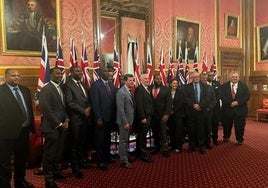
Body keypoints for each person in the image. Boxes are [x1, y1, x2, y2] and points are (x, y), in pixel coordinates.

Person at [0, 69, 34, 188]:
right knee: (4, 162)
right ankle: (5, 184)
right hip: (5, 133)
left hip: (24, 132)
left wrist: (30, 128)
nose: (16, 77)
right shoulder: (1, 91)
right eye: (13, 75)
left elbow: (29, 110)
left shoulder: (25, 90)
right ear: (6, 77)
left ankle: (20, 181)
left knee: (21, 159)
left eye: (18, 75)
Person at [39, 67, 70, 188]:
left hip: (62, 127)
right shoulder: (46, 89)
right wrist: (59, 124)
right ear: (50, 75)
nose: (59, 76)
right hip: (51, 128)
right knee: (50, 155)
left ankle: (56, 172)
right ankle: (49, 180)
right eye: (57, 74)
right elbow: (47, 110)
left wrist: (66, 119)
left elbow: (63, 108)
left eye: (60, 74)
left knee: (58, 153)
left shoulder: (60, 88)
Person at [63, 66, 91, 178]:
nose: (80, 72)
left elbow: (87, 99)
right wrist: (83, 110)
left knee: (82, 142)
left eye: (80, 71)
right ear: (71, 72)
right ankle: (75, 168)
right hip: (75, 119)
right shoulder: (67, 85)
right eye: (77, 71)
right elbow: (69, 102)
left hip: (85, 118)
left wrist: (89, 108)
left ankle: (81, 162)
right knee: (73, 145)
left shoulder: (83, 84)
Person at [90, 67, 117, 170]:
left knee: (107, 140)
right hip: (101, 119)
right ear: (100, 73)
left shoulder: (110, 84)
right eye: (105, 71)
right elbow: (95, 103)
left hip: (109, 118)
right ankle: (100, 161)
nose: (107, 73)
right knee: (100, 141)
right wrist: (98, 118)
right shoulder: (95, 85)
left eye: (108, 71)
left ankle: (107, 157)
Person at [221, 71, 250, 145]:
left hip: (240, 110)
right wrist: (230, 103)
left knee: (240, 126)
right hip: (227, 110)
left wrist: (238, 102)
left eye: (236, 77)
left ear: (238, 77)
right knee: (226, 125)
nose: (235, 78)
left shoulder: (244, 85)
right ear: (230, 77)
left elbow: (247, 96)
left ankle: (239, 140)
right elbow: (221, 96)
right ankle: (226, 137)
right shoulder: (224, 86)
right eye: (233, 77)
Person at [184, 71, 208, 154]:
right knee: (191, 130)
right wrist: (193, 105)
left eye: (197, 76)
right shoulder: (187, 87)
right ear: (191, 78)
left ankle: (202, 146)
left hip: (201, 111)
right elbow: (186, 98)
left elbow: (206, 98)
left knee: (201, 130)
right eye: (194, 77)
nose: (196, 78)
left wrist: (200, 105)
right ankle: (192, 145)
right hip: (191, 112)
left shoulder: (205, 86)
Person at [150, 74, 172, 157]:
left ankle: (165, 149)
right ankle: (157, 147)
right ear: (154, 79)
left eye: (160, 79)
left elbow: (169, 103)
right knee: (155, 133)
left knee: (163, 133)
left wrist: (167, 114)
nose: (158, 80)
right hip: (152, 116)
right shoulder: (149, 88)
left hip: (163, 116)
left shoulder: (166, 89)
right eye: (157, 79)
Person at [116, 74, 135, 169]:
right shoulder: (121, 92)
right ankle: (123, 161)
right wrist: (125, 122)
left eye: (133, 80)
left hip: (129, 121)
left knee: (126, 140)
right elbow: (120, 109)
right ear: (125, 81)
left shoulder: (129, 91)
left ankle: (126, 156)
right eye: (130, 80)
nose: (132, 82)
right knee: (123, 141)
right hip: (125, 122)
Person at [134, 73, 154, 163]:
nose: (147, 80)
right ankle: (143, 154)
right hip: (144, 117)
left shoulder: (148, 89)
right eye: (145, 78)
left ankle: (141, 152)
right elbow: (139, 105)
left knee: (143, 135)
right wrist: (142, 117)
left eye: (148, 78)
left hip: (149, 116)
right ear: (141, 80)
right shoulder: (139, 89)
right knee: (142, 136)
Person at [167, 79, 185, 153]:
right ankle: (172, 145)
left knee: (178, 131)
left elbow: (181, 103)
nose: (175, 85)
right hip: (170, 115)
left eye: (176, 83)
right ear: (171, 84)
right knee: (171, 130)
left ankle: (178, 147)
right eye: (174, 83)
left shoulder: (181, 92)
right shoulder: (167, 92)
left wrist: (173, 111)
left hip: (178, 115)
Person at [200, 72, 216, 149]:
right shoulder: (197, 87)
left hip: (209, 111)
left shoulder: (210, 88)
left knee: (208, 128)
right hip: (199, 112)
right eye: (203, 78)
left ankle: (208, 142)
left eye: (205, 78)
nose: (204, 79)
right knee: (201, 129)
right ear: (200, 78)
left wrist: (209, 107)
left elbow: (214, 100)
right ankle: (201, 143)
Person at [207, 71, 222, 145]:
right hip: (207, 108)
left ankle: (215, 139)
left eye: (212, 75)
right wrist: (209, 105)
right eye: (209, 75)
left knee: (215, 124)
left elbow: (219, 94)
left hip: (216, 107)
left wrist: (214, 103)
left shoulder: (217, 83)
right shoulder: (203, 84)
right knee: (208, 124)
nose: (211, 77)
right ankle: (208, 140)